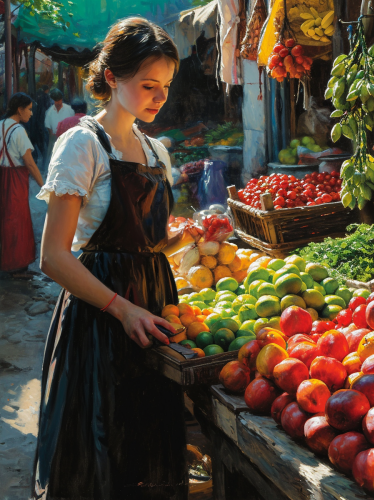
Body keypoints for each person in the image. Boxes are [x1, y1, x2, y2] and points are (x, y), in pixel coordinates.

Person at [33, 18, 189, 500]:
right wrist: (122, 309)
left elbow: (148, 245)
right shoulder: (82, 145)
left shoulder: (155, 151)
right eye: (148, 85)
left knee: (146, 454)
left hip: (154, 315)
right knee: (97, 456)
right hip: (98, 322)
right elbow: (54, 257)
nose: (159, 97)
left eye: (165, 86)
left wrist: (188, 237)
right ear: (112, 78)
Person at [0, 93, 44, 277]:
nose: (31, 114)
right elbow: (30, 163)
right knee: (17, 220)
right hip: (15, 178)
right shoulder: (18, 131)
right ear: (20, 109)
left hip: (2, 176)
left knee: (4, 218)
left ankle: (5, 262)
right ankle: (17, 266)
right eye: (29, 109)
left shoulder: (1, 125)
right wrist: (43, 184)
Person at [44, 88, 74, 166]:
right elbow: (49, 128)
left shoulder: (69, 109)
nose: (58, 102)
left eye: (59, 100)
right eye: (56, 101)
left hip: (68, 138)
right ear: (53, 101)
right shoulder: (49, 112)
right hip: (55, 138)